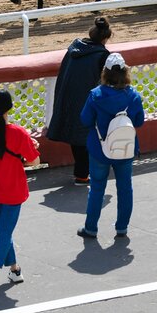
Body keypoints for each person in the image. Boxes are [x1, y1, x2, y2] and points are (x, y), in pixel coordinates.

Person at [77, 53, 145, 238]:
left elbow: (85, 120)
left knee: (97, 189)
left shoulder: (95, 95)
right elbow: (139, 121)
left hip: (99, 149)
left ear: (105, 73)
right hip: (125, 148)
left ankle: (91, 228)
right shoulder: (133, 96)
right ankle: (122, 227)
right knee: (125, 188)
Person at [0, 90, 40, 290]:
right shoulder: (20, 133)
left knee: (3, 232)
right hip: (13, 190)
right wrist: (28, 150)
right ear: (11, 107)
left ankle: (15, 270)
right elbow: (34, 161)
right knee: (5, 233)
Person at [47, 16, 112, 186]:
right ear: (106, 38)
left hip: (68, 97)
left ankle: (82, 173)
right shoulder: (102, 55)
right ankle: (84, 174)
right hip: (87, 100)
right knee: (86, 136)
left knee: (77, 136)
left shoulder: (74, 48)